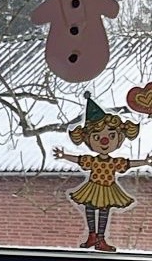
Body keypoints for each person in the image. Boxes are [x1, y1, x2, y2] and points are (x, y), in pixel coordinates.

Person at [55, 97, 148, 251]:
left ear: (119, 138)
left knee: (104, 211)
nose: (104, 141)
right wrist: (64, 156)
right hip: (93, 187)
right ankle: (92, 236)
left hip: (108, 188)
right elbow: (79, 160)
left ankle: (100, 239)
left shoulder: (114, 162)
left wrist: (144, 162)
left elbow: (128, 164)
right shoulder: (92, 161)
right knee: (90, 208)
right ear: (88, 140)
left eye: (111, 136)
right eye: (97, 137)